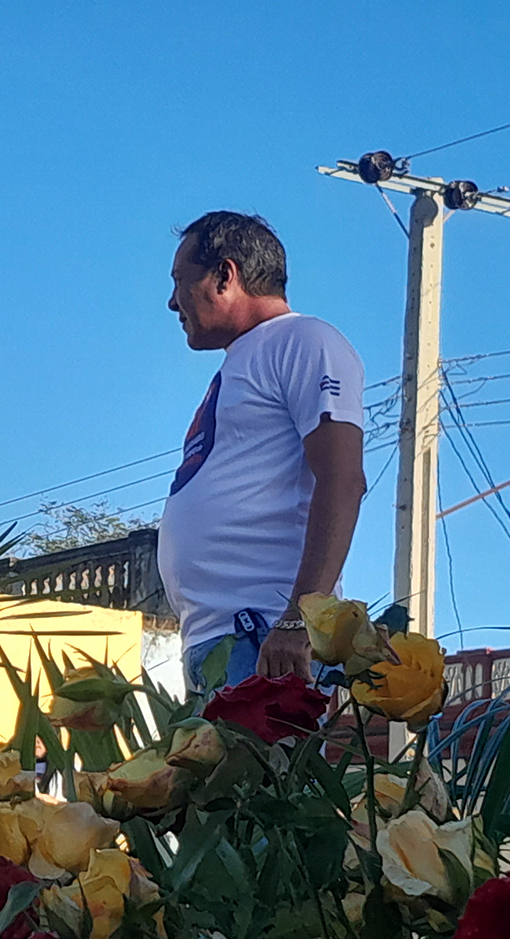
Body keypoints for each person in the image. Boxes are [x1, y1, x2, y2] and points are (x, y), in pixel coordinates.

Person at [158, 211, 366, 692]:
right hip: (224, 641)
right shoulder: (246, 359)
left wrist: (296, 621)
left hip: (265, 639)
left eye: (181, 282)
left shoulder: (304, 340)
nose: (173, 302)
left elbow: (342, 480)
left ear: (225, 275)